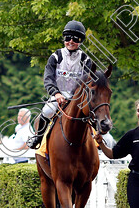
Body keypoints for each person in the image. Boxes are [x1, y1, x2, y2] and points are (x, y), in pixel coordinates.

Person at [28, 20, 94, 149]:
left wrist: (76, 97)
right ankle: (38, 137)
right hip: (58, 95)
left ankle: (98, 139)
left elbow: (87, 82)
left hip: (77, 98)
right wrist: (56, 93)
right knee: (47, 111)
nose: (70, 41)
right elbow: (48, 78)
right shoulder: (55, 56)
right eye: (67, 38)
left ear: (80, 41)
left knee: (93, 113)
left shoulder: (86, 59)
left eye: (75, 39)